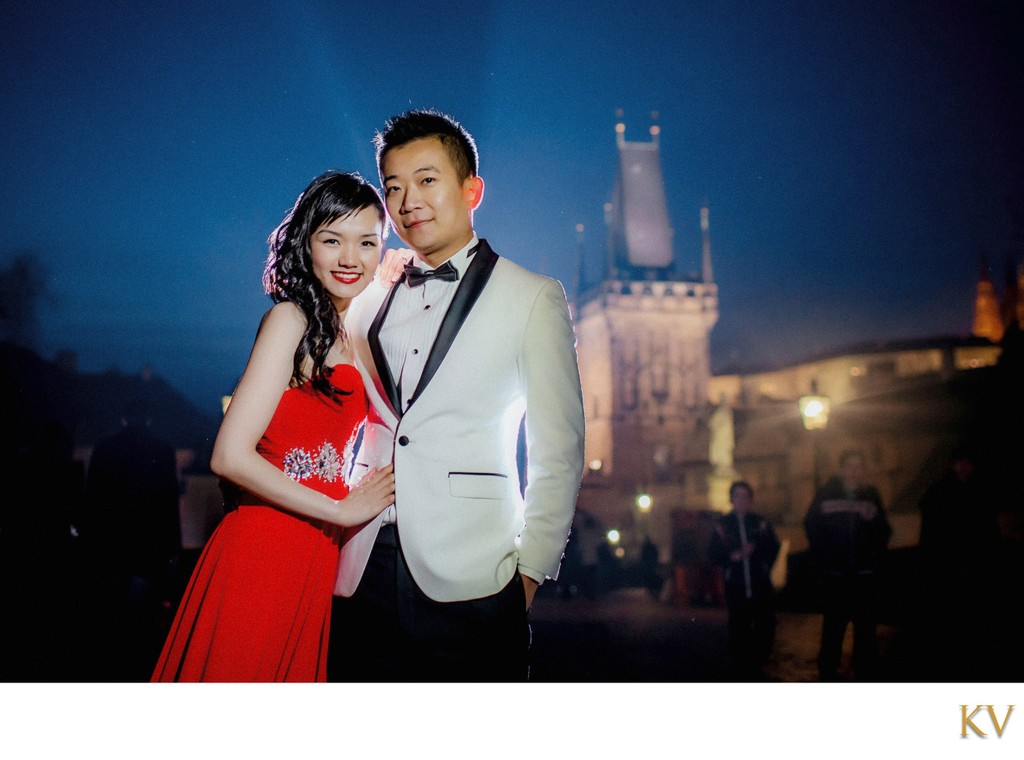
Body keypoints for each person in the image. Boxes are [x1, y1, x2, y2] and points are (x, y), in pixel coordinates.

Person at [330, 109, 586, 682]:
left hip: (475, 573)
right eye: (393, 188)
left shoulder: (532, 297)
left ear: (472, 189)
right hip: (362, 560)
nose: (407, 200)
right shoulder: (370, 294)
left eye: (426, 180)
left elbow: (559, 449)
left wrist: (528, 576)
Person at [151, 171, 396, 682]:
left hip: (314, 551)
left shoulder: (354, 331)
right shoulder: (291, 319)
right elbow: (229, 456)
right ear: (306, 245)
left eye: (366, 242)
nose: (350, 258)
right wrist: (340, 507)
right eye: (332, 239)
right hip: (263, 547)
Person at [84, 402, 181, 680]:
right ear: (148, 420)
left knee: (109, 618)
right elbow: (168, 503)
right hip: (146, 549)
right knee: (141, 624)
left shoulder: (105, 448)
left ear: (123, 420)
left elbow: (92, 498)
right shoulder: (162, 451)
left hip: (109, 549)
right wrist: (172, 548)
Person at [803, 449, 891, 681]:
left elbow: (884, 531)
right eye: (850, 466)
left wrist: (873, 555)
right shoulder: (826, 494)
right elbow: (811, 526)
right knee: (833, 628)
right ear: (841, 470)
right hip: (836, 576)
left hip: (864, 575)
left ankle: (865, 672)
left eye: (858, 466)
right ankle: (828, 673)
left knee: (865, 629)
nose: (854, 471)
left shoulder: (871, 495)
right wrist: (827, 556)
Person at [916, 445, 1001, 679]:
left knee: (973, 616)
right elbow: (930, 533)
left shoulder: (980, 491)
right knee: (951, 616)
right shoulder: (939, 492)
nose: (963, 467)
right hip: (948, 567)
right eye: (959, 462)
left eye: (967, 462)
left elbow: (989, 531)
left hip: (975, 566)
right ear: (951, 465)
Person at [708, 480, 780, 679]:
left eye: (746, 496)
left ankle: (758, 664)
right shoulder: (723, 525)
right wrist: (731, 558)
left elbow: (773, 548)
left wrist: (759, 556)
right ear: (732, 500)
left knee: (765, 625)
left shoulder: (761, 523)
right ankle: (741, 669)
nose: (742, 500)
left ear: (751, 500)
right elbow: (713, 553)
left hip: (760, 584)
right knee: (738, 627)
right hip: (736, 585)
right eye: (738, 496)